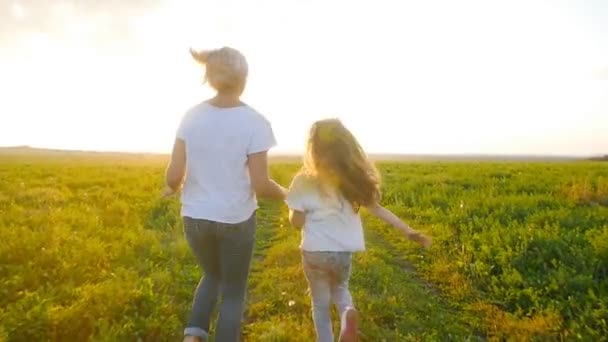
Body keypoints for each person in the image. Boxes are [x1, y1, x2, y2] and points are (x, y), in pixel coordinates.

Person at [164, 46, 287, 342]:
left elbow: (173, 176)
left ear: (210, 77)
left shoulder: (190, 116)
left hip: (194, 217)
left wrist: (173, 187)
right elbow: (261, 185)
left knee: (211, 275)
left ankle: (192, 337)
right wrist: (287, 193)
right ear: (243, 78)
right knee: (233, 290)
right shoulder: (255, 121)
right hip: (235, 219)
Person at [286, 119, 431, 342]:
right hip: (342, 253)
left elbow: (296, 222)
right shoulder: (352, 181)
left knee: (320, 303)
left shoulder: (303, 181)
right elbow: (379, 210)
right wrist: (408, 230)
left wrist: (294, 212)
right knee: (341, 289)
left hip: (315, 252)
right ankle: (346, 316)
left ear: (313, 149)